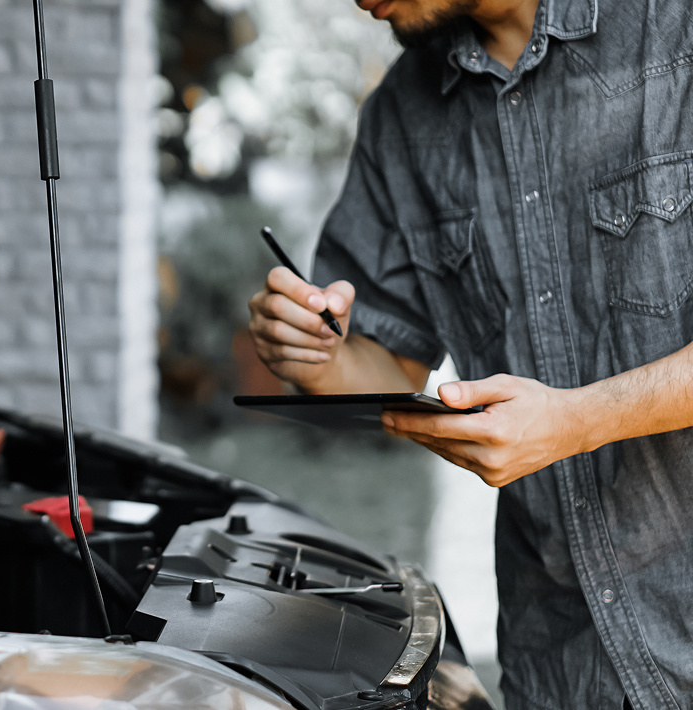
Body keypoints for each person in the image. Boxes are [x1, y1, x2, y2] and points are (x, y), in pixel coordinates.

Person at [247, 0, 693, 708]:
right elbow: (391, 367)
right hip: (561, 665)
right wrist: (318, 357)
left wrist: (578, 420)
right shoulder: (403, 116)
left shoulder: (677, 30)